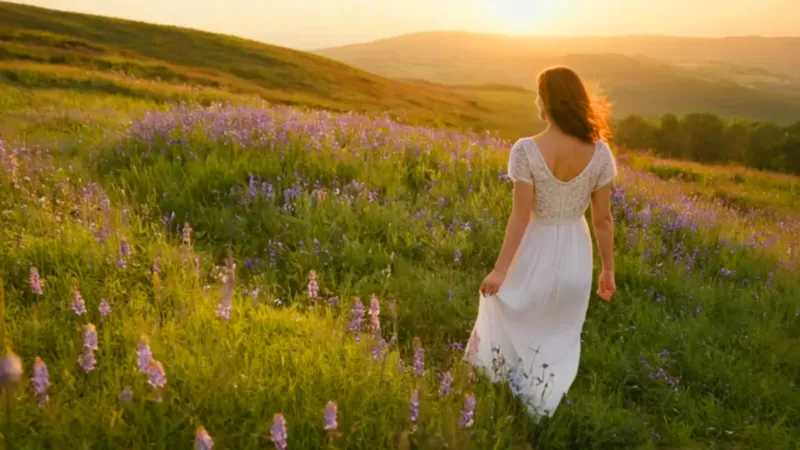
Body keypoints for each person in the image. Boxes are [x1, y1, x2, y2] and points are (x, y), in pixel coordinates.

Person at [464, 66, 617, 418]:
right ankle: (541, 397)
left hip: (535, 245)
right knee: (560, 328)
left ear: (547, 102)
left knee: (518, 309)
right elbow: (603, 220)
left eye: (538, 94)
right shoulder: (600, 153)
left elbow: (520, 217)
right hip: (577, 249)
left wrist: (500, 271)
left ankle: (512, 392)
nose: (535, 101)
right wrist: (607, 269)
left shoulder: (526, 150)